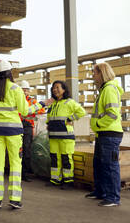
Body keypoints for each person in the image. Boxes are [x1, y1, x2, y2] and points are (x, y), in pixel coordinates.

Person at [0, 60, 53, 209]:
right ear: (9, 72)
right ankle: (14, 199)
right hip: (14, 132)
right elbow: (25, 111)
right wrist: (41, 104)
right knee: (15, 164)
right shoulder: (15, 89)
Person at [85, 63, 123, 207]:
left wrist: (99, 124)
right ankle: (100, 191)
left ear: (102, 73)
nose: (93, 76)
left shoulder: (109, 90)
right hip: (103, 133)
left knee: (110, 166)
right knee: (99, 164)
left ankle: (113, 197)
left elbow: (112, 114)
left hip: (110, 133)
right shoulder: (104, 90)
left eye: (94, 73)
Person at [46, 80, 86, 189]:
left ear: (64, 90)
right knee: (54, 158)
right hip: (53, 136)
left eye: (58, 87)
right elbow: (49, 116)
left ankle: (68, 181)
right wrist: (47, 123)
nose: (55, 90)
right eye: (53, 88)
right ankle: (55, 179)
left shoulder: (70, 102)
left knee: (66, 158)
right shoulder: (52, 104)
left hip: (66, 137)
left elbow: (82, 112)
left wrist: (70, 118)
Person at [19, 80, 45, 182]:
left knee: (27, 149)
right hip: (18, 126)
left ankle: (25, 173)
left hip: (28, 126)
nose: (25, 92)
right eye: (23, 90)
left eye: (26, 90)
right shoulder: (17, 100)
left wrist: (30, 111)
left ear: (29, 91)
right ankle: (19, 172)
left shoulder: (33, 101)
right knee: (19, 150)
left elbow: (41, 110)